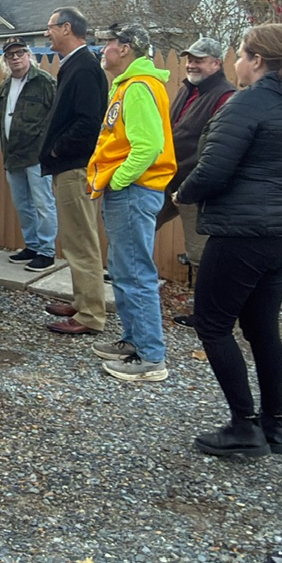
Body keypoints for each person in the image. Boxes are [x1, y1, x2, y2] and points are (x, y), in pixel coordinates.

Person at [171, 23, 282, 457]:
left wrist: (185, 192)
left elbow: (213, 168)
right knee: (262, 329)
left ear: (257, 60)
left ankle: (244, 425)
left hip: (243, 232)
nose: (236, 62)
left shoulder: (248, 104)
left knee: (212, 323)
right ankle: (275, 428)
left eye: (240, 54)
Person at [89, 21, 177, 384]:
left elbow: (148, 145)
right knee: (124, 269)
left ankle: (151, 357)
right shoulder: (129, 86)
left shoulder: (138, 88)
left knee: (136, 272)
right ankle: (134, 341)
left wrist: (120, 179)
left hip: (133, 190)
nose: (103, 49)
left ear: (125, 48)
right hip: (129, 191)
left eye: (108, 43)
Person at [38, 7, 111, 337]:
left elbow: (87, 124)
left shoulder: (82, 68)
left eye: (50, 27)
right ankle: (82, 302)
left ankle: (91, 315)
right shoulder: (76, 66)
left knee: (81, 242)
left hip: (75, 168)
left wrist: (56, 149)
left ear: (67, 28)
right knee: (74, 239)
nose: (46, 33)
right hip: (70, 167)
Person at [163, 34, 237, 318]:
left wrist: (197, 183)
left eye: (199, 61)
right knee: (142, 226)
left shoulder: (225, 96)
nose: (192, 65)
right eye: (190, 60)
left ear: (216, 64)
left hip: (195, 185)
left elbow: (216, 146)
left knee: (199, 253)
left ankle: (208, 314)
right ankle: (129, 282)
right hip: (169, 177)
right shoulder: (187, 90)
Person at [0, 38, 57, 268]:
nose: (16, 58)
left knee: (43, 204)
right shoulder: (6, 85)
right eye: (10, 55)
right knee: (22, 204)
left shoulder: (45, 82)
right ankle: (32, 245)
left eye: (20, 53)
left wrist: (49, 149)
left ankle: (47, 251)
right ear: (5, 60)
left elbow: (55, 117)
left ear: (29, 55)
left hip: (36, 155)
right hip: (13, 155)